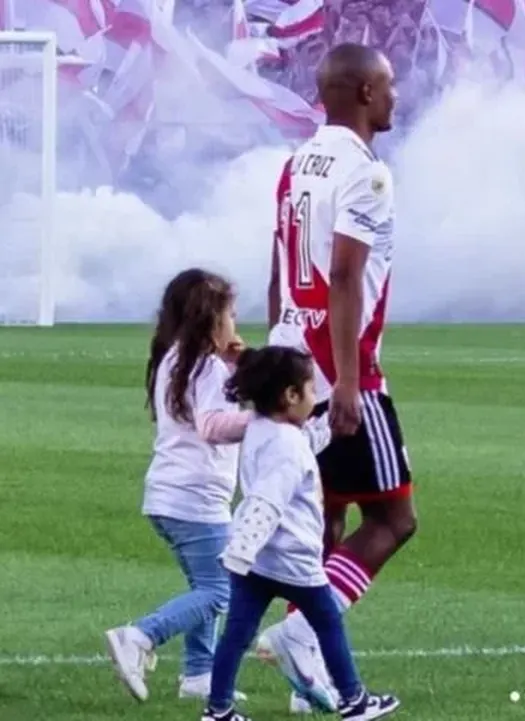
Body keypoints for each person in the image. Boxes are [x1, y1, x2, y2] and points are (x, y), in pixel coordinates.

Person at [256, 42, 417, 714]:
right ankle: (300, 631)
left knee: (322, 516)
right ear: (359, 93)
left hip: (292, 358)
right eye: (386, 84)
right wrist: (348, 382)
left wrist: (273, 357)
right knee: (393, 517)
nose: (395, 94)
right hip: (340, 365)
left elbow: (277, 266)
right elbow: (346, 275)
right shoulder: (367, 173)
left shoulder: (297, 164)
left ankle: (313, 677)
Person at [201, 346, 400, 721]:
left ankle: (218, 709)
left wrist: (328, 429)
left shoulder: (261, 427)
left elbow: (300, 447)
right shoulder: (287, 444)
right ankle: (353, 700)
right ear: (290, 395)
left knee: (237, 634)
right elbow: (268, 501)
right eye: (310, 390)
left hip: (258, 565)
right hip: (293, 560)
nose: (315, 398)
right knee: (328, 624)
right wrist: (240, 549)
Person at [105, 268, 252, 703]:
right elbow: (211, 425)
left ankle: (199, 675)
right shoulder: (206, 368)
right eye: (231, 317)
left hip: (168, 495)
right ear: (212, 320)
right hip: (195, 498)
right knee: (218, 590)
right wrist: (262, 420)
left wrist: (237, 365)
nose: (235, 326)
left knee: (205, 582)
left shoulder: (175, 358)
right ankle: (140, 636)